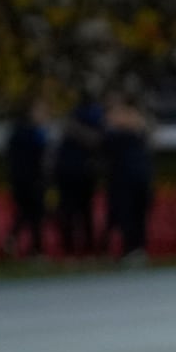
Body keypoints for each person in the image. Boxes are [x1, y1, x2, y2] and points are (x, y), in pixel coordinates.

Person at [104, 93, 155, 263]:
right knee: (126, 213)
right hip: (123, 177)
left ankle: (138, 247)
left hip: (137, 175)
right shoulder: (114, 130)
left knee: (138, 212)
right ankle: (129, 247)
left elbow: (149, 133)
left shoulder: (138, 125)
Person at [54, 95, 103, 255]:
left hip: (73, 173)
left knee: (73, 212)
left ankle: (72, 248)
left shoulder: (72, 123)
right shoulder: (93, 120)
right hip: (79, 173)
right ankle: (86, 248)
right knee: (80, 213)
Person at [5, 95, 53, 259]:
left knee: (31, 214)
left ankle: (26, 246)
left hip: (31, 179)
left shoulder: (30, 131)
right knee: (31, 213)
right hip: (28, 180)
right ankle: (34, 249)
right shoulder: (27, 133)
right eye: (40, 111)